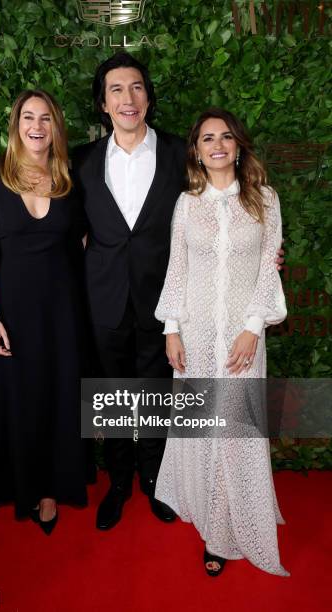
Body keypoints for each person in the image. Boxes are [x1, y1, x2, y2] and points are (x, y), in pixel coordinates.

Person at [154, 108, 289, 576]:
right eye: (207, 138)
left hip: (241, 338)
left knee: (237, 432)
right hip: (195, 335)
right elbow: (177, 268)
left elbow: (269, 268)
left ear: (238, 145)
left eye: (226, 136)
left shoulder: (264, 200)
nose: (217, 145)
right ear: (196, 150)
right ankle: (214, 526)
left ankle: (234, 524)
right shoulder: (186, 203)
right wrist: (171, 329)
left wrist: (254, 327)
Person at [73, 52, 185, 529]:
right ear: (103, 103)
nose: (127, 98)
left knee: (158, 391)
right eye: (116, 89)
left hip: (164, 300)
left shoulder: (183, 153)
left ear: (148, 96)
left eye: (136, 87)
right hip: (104, 300)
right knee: (112, 393)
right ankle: (118, 481)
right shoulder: (80, 160)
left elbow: (216, 209)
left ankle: (155, 479)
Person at [0, 90, 88, 534]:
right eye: (28, 117)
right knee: (21, 400)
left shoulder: (68, 180)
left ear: (56, 126)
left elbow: (86, 244)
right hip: (13, 313)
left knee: (59, 398)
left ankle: (49, 491)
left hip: (62, 314)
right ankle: (23, 483)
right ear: (16, 124)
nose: (36, 126)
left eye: (45, 118)